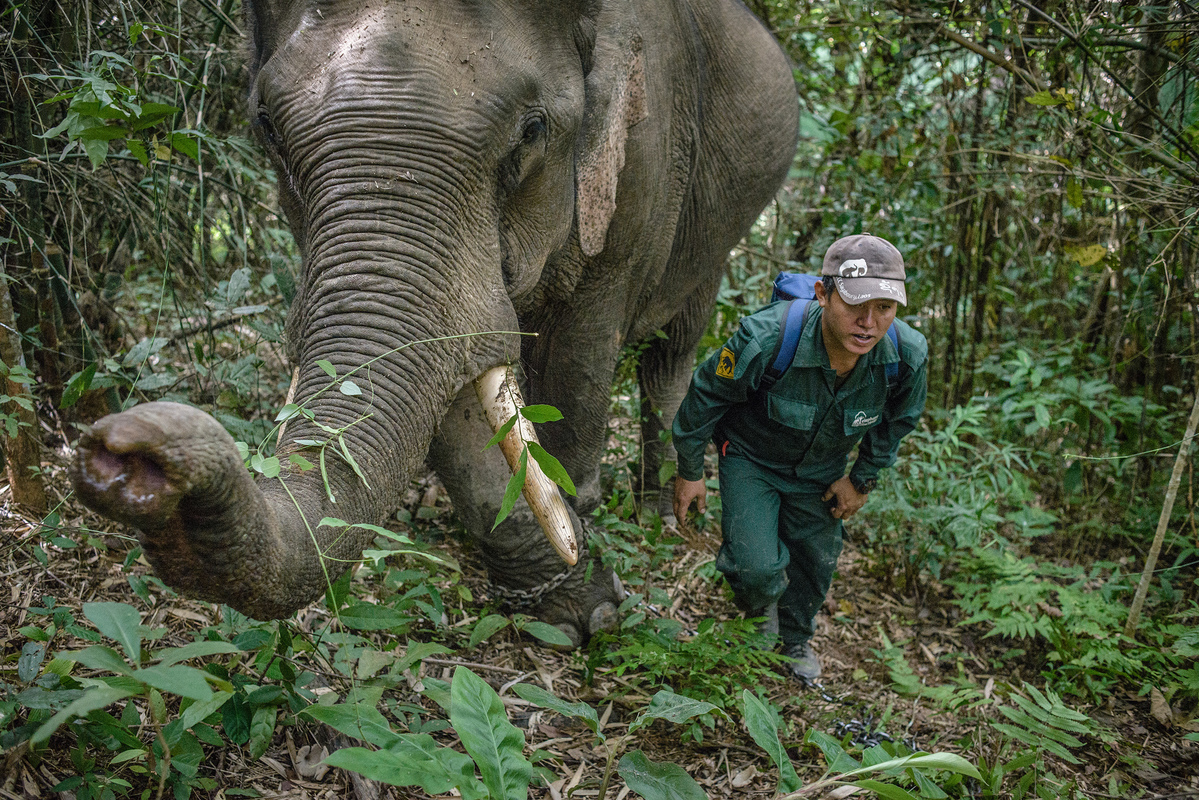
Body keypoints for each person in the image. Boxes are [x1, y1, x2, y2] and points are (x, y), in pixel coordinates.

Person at [671, 234, 927, 682]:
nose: (869, 323)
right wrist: (690, 471)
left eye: (884, 308)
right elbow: (707, 395)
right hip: (752, 459)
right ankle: (760, 613)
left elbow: (898, 421)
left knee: (814, 561)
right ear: (823, 294)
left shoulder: (904, 357)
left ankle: (794, 639)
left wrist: (860, 480)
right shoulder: (767, 338)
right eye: (855, 305)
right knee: (753, 565)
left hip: (822, 471)